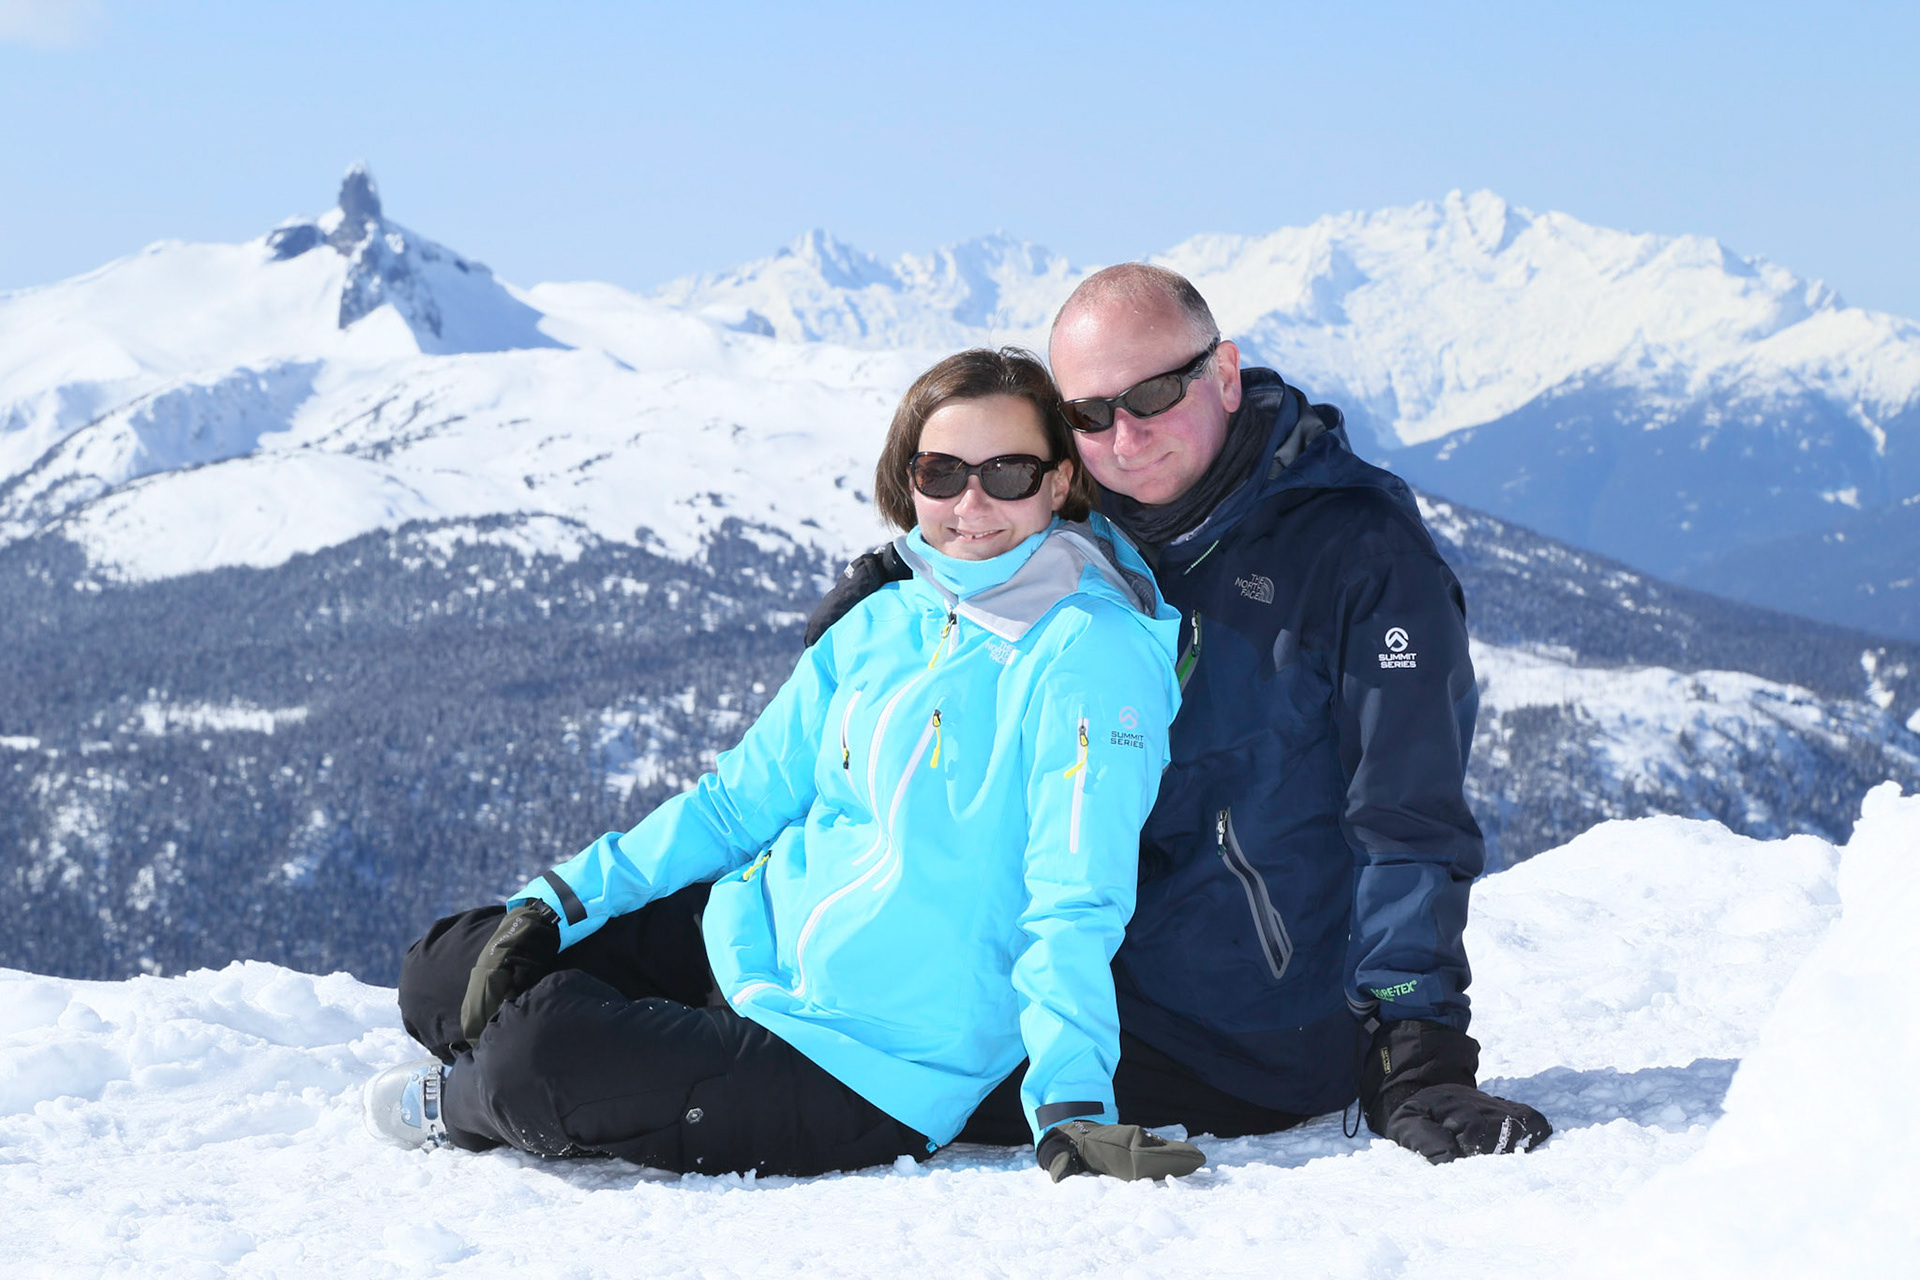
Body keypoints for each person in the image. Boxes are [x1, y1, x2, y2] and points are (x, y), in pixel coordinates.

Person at [365, 347, 1206, 1184]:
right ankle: (599, 1048)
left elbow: (1076, 896)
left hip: (872, 1057)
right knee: (446, 969)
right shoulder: (889, 613)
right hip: (757, 938)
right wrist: (559, 903)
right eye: (942, 472)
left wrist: (1071, 1104)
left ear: (1060, 484)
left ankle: (480, 1098)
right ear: (909, 480)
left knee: (532, 1058)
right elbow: (738, 804)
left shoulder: (1089, 652)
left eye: (1009, 472)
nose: (971, 501)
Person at [808, 266, 1551, 1163]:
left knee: (838, 1072)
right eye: (1089, 414)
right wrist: (914, 592)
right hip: (1052, 967)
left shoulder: (1357, 552)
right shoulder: (1077, 529)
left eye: (1156, 394)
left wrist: (1417, 1046)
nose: (1124, 437)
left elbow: (1407, 817)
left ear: (1226, 375)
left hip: (1237, 1034)